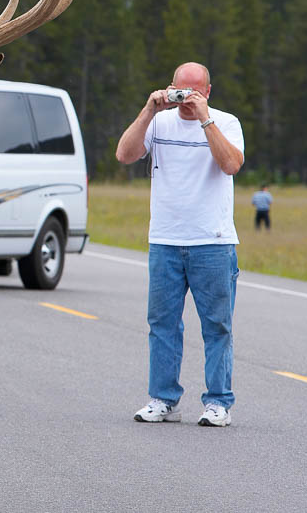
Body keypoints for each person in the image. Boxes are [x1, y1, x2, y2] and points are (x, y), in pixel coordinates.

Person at [115, 62, 244, 427]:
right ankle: (163, 398)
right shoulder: (159, 122)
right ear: (169, 88)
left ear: (208, 91)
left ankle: (218, 402)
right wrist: (149, 109)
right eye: (180, 91)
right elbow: (124, 155)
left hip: (213, 242)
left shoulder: (226, 122)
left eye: (195, 92)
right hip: (166, 240)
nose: (187, 99)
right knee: (162, 324)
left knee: (217, 326)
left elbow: (231, 164)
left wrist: (205, 120)